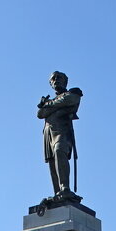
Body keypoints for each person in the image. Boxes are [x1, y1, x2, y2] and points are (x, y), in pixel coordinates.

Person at [37, 71, 82, 200]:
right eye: (53, 79)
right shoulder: (53, 99)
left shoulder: (73, 92)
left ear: (65, 81)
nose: (56, 80)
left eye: (59, 78)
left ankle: (65, 188)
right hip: (48, 132)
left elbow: (69, 100)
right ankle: (58, 193)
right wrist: (56, 105)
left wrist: (48, 105)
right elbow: (40, 114)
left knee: (59, 151)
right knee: (52, 162)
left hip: (62, 131)